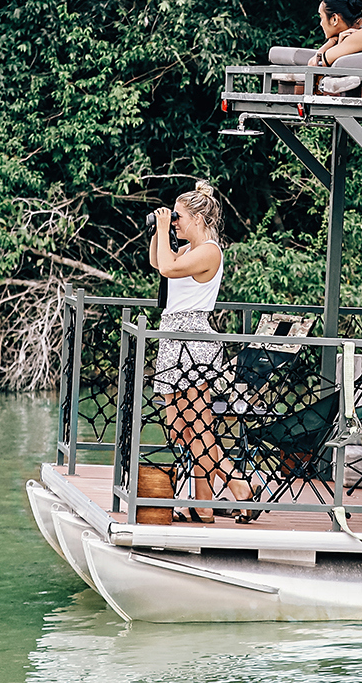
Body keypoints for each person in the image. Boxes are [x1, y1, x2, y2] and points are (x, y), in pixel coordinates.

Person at [148, 181, 256, 523]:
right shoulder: (187, 250)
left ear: (197, 217)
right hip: (173, 338)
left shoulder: (209, 251)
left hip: (192, 341)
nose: (175, 222)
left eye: (179, 217)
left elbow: (167, 269)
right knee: (180, 426)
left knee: (197, 425)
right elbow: (158, 262)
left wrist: (166, 228)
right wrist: (159, 230)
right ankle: (207, 504)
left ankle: (237, 484)